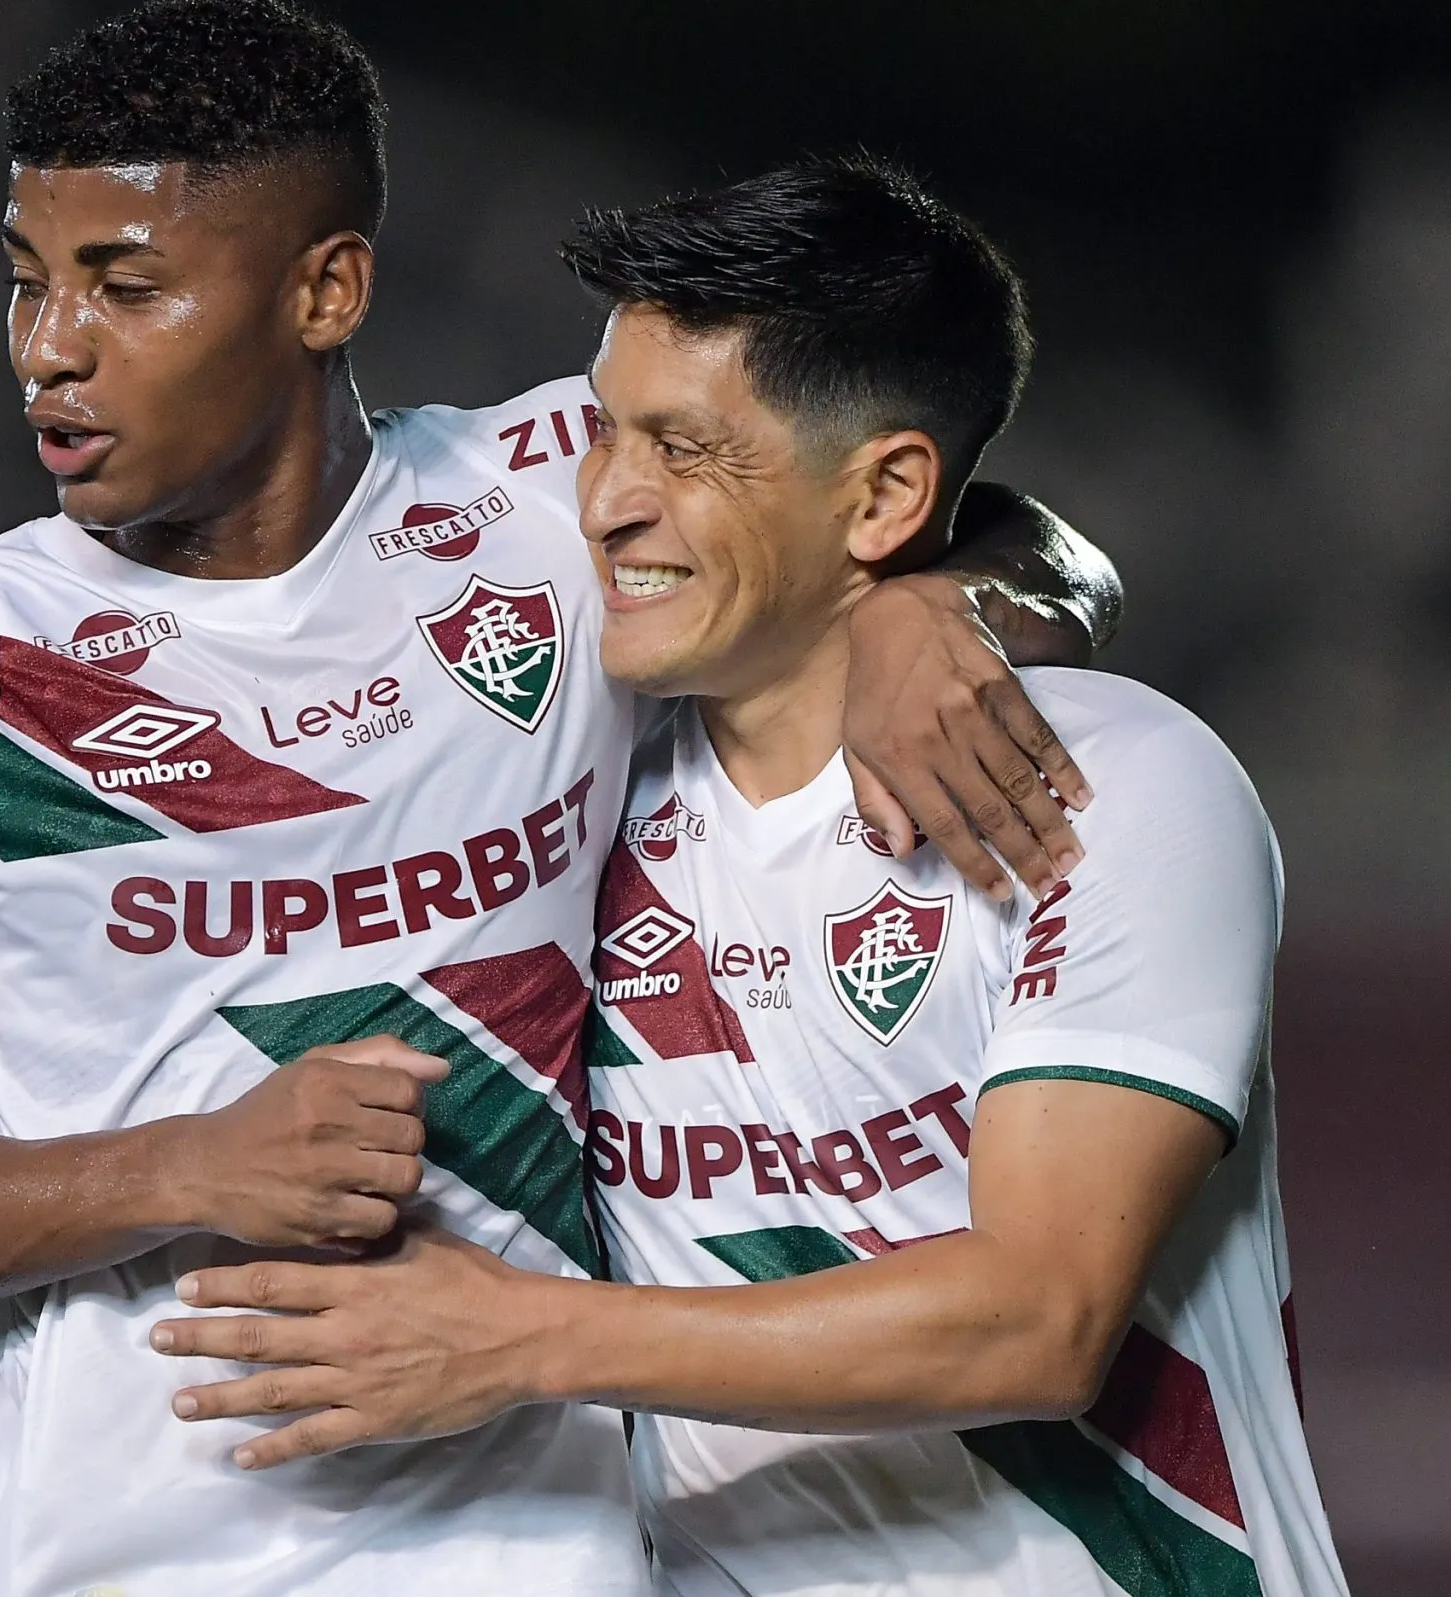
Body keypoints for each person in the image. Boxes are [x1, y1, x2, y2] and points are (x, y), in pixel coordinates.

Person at [0, 4, 1118, 1593]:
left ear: (328, 289)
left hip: (548, 1550)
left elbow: (992, 524)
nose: (50, 346)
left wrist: (947, 608)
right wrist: (180, 1168)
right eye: (29, 279)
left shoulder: (544, 500)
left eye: (128, 284)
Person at [153, 158, 1349, 1597]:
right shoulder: (568, 802)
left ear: (887, 495)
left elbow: (1036, 1322)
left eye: (687, 451)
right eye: (604, 439)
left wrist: (514, 1338)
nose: (605, 505)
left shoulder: (1111, 787)